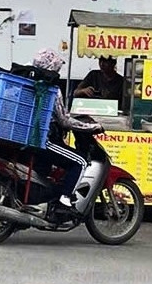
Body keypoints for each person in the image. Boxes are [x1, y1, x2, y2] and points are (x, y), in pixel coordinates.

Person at [30, 48, 105, 212]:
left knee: (48, 170)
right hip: (44, 140)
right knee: (80, 161)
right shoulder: (51, 90)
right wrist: (91, 127)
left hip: (27, 140)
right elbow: (64, 121)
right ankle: (64, 200)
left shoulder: (28, 83)